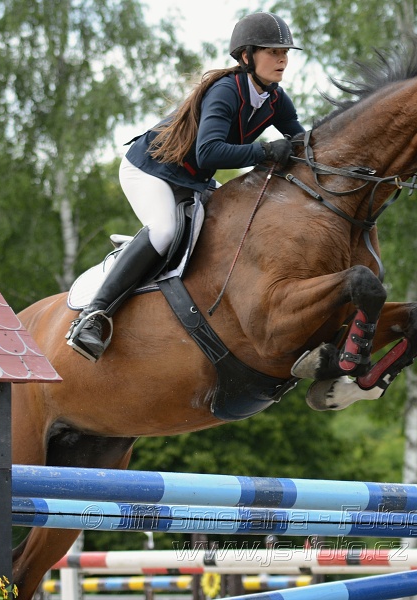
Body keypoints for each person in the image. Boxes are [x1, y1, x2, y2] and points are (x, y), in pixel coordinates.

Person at [67, 12, 306, 362]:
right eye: (273, 51)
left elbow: (302, 143)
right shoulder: (226, 91)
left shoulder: (276, 100)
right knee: (164, 231)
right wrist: (265, 151)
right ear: (246, 56)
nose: (282, 59)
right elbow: (209, 151)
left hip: (193, 179)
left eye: (285, 52)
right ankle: (93, 316)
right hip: (150, 169)